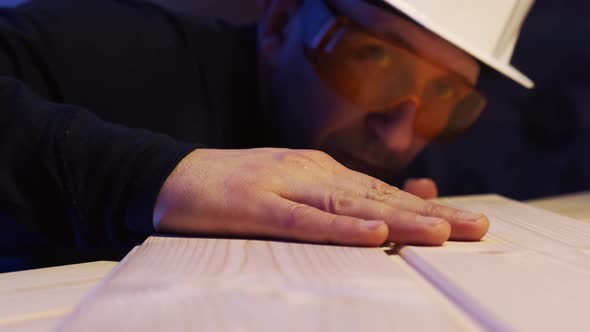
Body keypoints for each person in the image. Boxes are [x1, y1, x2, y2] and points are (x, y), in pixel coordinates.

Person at [0, 0, 533, 272]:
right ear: (280, 22)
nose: (398, 139)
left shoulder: (394, 149)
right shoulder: (105, 47)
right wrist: (158, 175)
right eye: (374, 61)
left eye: (446, 99)